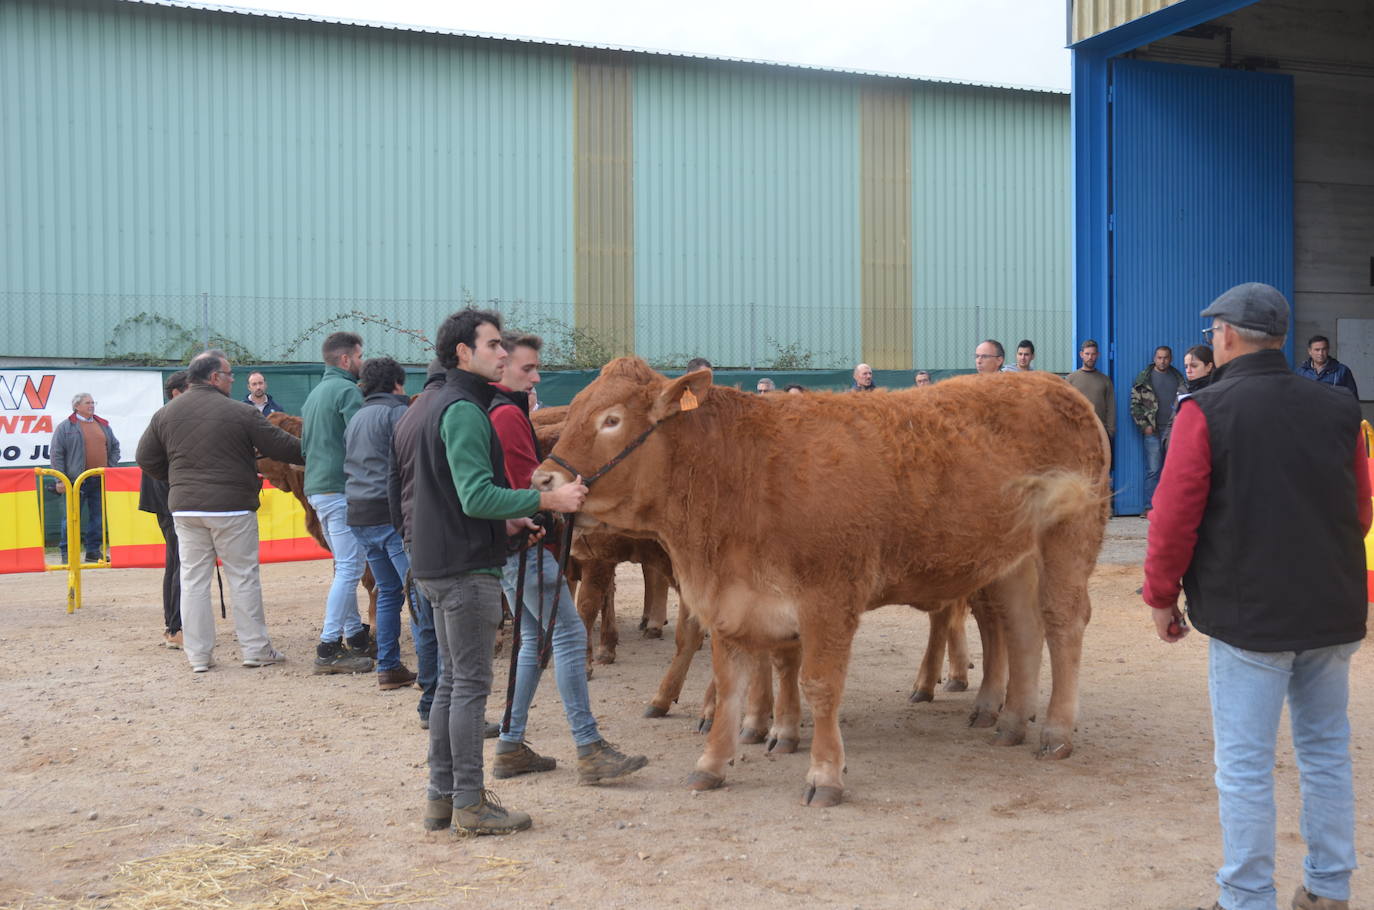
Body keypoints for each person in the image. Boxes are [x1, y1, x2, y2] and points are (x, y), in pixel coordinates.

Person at [1143, 282, 1369, 910]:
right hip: (1331, 608)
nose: (1211, 338)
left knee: (1245, 764)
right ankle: (1329, 888)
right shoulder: (1340, 409)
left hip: (1251, 618)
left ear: (1230, 336)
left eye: (1214, 330)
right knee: (1326, 752)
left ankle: (1246, 896)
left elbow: (1173, 516)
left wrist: (1161, 595)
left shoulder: (1205, 410)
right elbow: (1360, 512)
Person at [410, 307, 589, 836]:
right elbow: (474, 493)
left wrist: (512, 517)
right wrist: (548, 497)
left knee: (449, 687)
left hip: (438, 561)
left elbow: (450, 492)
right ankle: (470, 803)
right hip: (464, 569)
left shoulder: (433, 403)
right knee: (467, 688)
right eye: (493, 346)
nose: (504, 355)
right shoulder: (464, 408)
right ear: (464, 352)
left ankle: (441, 799)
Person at [487, 331, 648, 785]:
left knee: (533, 643)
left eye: (537, 368)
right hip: (527, 544)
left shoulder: (497, 411)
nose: (536, 378)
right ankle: (588, 746)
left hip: (512, 547)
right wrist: (565, 495)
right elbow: (528, 486)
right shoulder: (507, 416)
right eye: (527, 369)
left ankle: (510, 744)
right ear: (503, 368)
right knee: (572, 638)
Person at [136, 350, 304, 673]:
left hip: (185, 510)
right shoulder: (240, 412)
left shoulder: (167, 414)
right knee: (242, 577)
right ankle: (255, 649)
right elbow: (280, 446)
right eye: (229, 375)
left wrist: (176, 479)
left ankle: (198, 657)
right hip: (233, 508)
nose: (232, 381)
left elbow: (145, 457)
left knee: (193, 580)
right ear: (214, 377)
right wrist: (319, 449)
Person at [301, 331, 374, 674]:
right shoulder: (347, 391)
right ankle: (328, 647)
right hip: (341, 490)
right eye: (359, 356)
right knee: (349, 569)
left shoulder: (315, 394)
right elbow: (363, 443)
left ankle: (355, 637)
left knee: (344, 567)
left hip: (318, 489)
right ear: (346, 360)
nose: (362, 362)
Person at [343, 356, 418, 691]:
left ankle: (388, 666)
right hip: (389, 514)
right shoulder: (398, 413)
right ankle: (430, 672)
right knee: (417, 591)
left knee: (387, 590)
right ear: (397, 384)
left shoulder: (356, 417)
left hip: (359, 514)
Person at [388, 361, 446, 730]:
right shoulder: (451, 409)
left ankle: (429, 704)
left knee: (426, 621)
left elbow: (392, 481)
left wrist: (402, 528)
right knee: (448, 625)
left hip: (412, 531)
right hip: (441, 533)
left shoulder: (408, 414)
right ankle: (443, 708)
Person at [138, 370, 189, 648]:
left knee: (176, 562)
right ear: (177, 393)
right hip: (169, 498)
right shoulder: (172, 417)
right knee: (180, 563)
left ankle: (176, 624)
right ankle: (175, 627)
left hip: (168, 497)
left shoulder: (167, 416)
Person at [49, 392, 120, 564]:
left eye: (93, 402)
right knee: (71, 517)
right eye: (88, 402)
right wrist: (60, 479)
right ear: (77, 406)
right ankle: (67, 553)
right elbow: (56, 454)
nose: (92, 405)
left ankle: (93, 552)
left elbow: (115, 447)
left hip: (99, 479)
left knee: (98, 518)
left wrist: (109, 467)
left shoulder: (102, 425)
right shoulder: (65, 427)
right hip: (74, 481)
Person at [1131, 346, 1185, 516]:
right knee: (1153, 470)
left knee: (1173, 470)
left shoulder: (1178, 378)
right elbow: (1135, 405)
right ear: (1154, 358)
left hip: (1173, 432)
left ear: (1171, 358)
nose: (1162, 361)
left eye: (1166, 358)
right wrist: (1144, 426)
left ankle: (1171, 508)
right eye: (1159, 357)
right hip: (1153, 432)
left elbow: (1186, 403)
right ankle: (1150, 507)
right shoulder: (1143, 379)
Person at [1163, 345, 1215, 453]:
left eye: (1194, 366)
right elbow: (1171, 423)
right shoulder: (1183, 390)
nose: (1188, 371)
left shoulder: (1218, 390)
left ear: (1209, 366)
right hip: (1182, 455)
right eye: (1186, 366)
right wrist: (1169, 445)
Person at [1065, 339, 1114, 438]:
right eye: (1087, 354)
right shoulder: (1070, 379)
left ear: (1098, 355)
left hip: (1100, 433)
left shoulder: (1105, 380)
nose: (1090, 357)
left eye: (1093, 354)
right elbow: (1064, 406)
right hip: (1076, 432)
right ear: (1081, 354)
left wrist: (1110, 431)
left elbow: (1111, 408)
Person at [1295, 335, 1359, 399]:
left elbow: (1352, 398)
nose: (1320, 353)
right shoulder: (1301, 372)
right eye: (1317, 350)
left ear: (1328, 350)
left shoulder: (1342, 371)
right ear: (1310, 351)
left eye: (1324, 349)